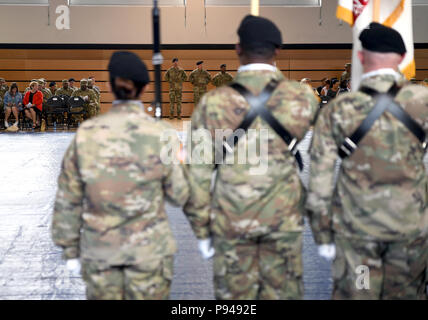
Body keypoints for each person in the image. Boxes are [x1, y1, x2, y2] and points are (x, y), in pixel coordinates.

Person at [183, 15, 318, 300]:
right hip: (283, 219)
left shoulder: (213, 102)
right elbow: (323, 164)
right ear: (278, 50)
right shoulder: (303, 98)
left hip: (231, 220)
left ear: (237, 48)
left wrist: (202, 230)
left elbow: (196, 174)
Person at [51, 51, 189, 300]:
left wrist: (69, 248)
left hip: (102, 253)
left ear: (109, 85)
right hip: (149, 252)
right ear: (145, 88)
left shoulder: (87, 134)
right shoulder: (163, 134)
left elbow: (67, 198)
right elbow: (179, 193)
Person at [305, 22, 428, 300]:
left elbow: (320, 180)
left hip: (356, 233)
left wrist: (323, 235)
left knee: (358, 294)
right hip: (411, 230)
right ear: (402, 58)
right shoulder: (423, 101)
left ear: (360, 58)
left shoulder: (339, 109)